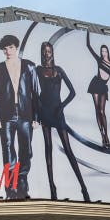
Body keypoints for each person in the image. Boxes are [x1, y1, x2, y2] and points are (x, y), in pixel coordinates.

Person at [36, 42, 90, 201]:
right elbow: (34, 92)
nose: (47, 54)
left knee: (68, 149)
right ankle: (52, 188)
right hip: (44, 112)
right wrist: (37, 113)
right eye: (45, 51)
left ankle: (84, 188)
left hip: (57, 112)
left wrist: (62, 106)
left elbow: (72, 92)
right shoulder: (38, 70)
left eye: (49, 51)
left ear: (52, 52)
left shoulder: (59, 70)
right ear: (42, 53)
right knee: (48, 149)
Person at [0, 34, 40, 198]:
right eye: (5, 48)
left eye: (10, 47)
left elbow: (36, 93)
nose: (8, 51)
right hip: (6, 115)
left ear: (16, 47)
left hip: (26, 114)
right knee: (8, 149)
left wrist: (36, 117)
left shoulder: (30, 66)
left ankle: (22, 181)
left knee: (26, 149)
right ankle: (11, 187)